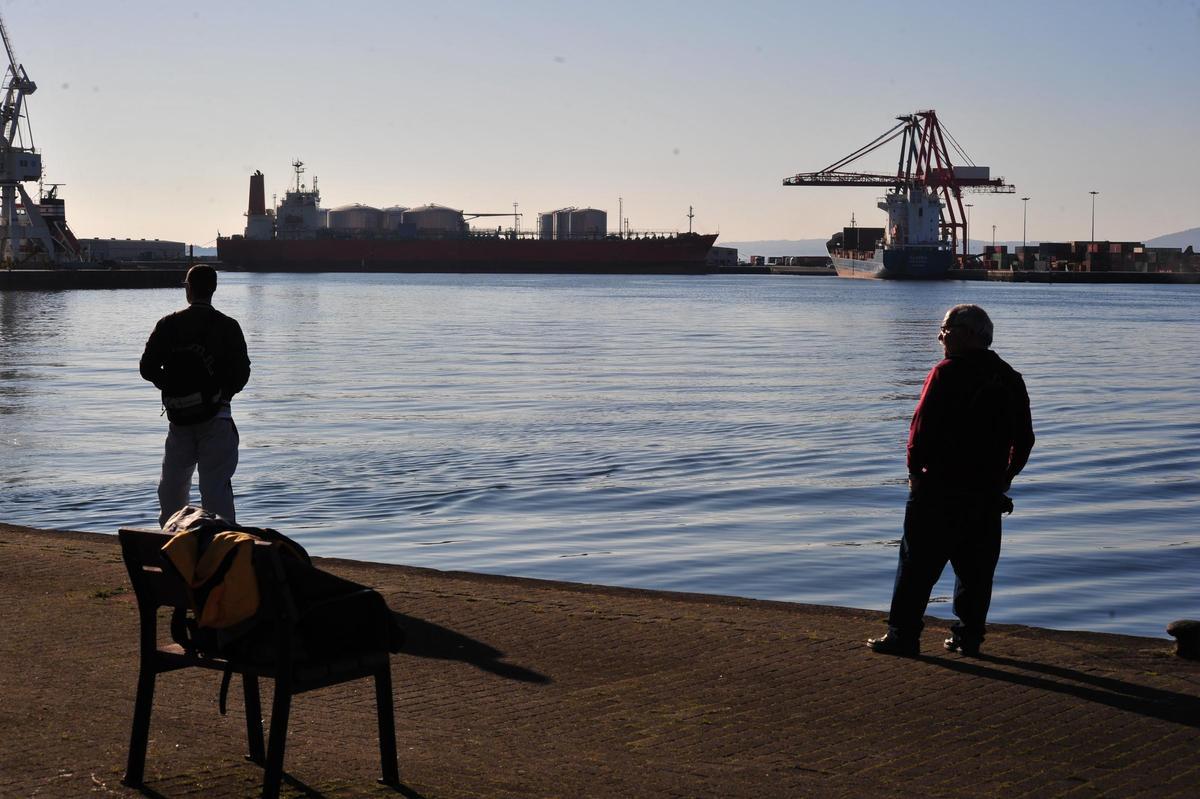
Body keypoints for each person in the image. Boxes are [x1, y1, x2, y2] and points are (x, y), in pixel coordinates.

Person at [868, 304, 1034, 657]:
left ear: (971, 334)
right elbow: (1025, 439)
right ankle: (968, 637)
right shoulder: (1010, 377)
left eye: (947, 328)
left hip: (939, 489)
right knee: (976, 572)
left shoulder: (946, 373)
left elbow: (920, 429)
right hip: (986, 493)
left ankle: (903, 636)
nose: (940, 336)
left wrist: (914, 472)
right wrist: (1005, 478)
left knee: (916, 567)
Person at [140, 264, 251, 527]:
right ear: (213, 289)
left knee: (172, 489)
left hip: (179, 419)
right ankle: (222, 545)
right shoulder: (228, 326)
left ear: (188, 289)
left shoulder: (168, 324)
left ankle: (171, 541)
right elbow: (242, 372)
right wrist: (222, 395)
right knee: (215, 489)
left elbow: (147, 368)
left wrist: (171, 387)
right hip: (217, 419)